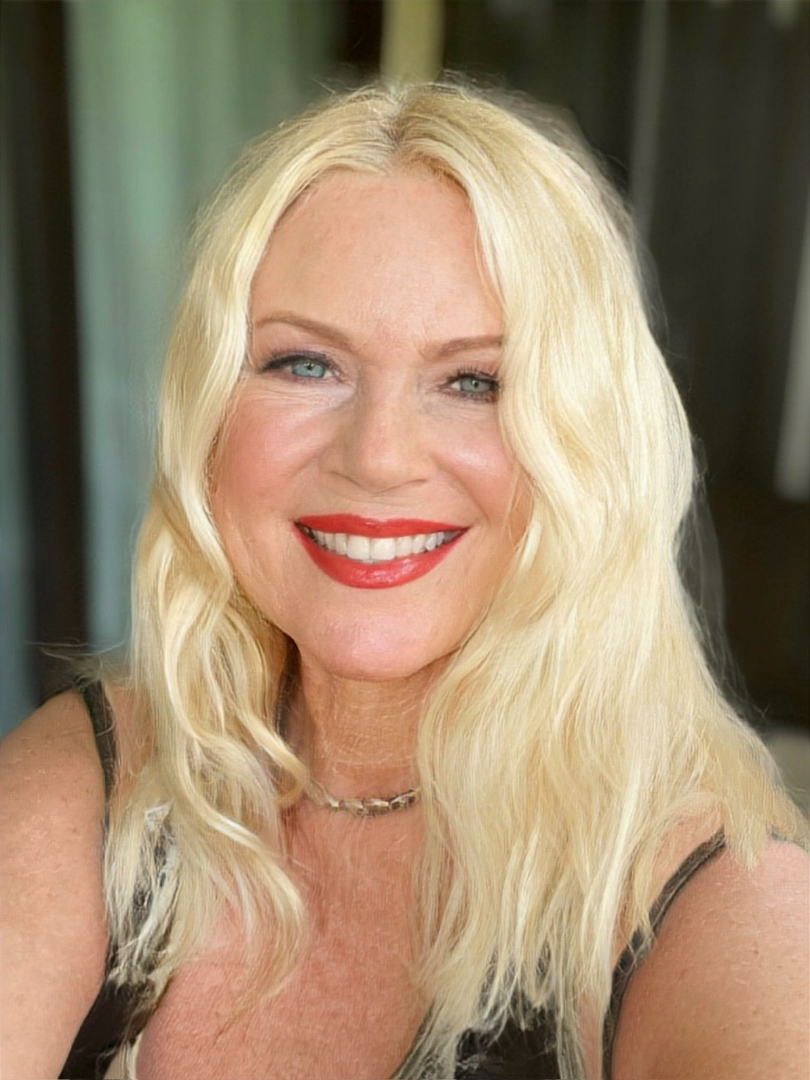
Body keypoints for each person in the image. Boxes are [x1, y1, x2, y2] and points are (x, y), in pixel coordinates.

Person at [1, 80, 808, 1080]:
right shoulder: (96, 783)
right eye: (305, 364)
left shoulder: (720, 910)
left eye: (475, 381)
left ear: (588, 450)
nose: (379, 457)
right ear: (207, 414)